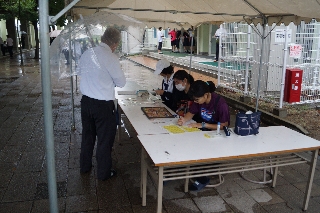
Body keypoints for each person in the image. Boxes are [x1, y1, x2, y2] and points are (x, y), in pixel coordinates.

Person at [78, 27, 126, 181]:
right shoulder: (111, 57)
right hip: (103, 106)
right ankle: (104, 173)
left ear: (103, 38)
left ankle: (85, 167)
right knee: (104, 141)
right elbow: (121, 82)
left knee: (88, 137)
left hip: (86, 103)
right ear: (115, 44)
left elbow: (81, 72)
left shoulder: (87, 53)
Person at [177, 80, 230, 191]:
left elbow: (225, 125)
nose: (196, 101)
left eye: (197, 99)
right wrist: (183, 120)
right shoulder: (199, 100)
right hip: (204, 132)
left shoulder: (221, 104)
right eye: (194, 99)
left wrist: (203, 124)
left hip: (217, 136)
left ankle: (203, 178)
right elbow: (190, 114)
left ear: (206, 95)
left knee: (200, 150)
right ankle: (191, 170)